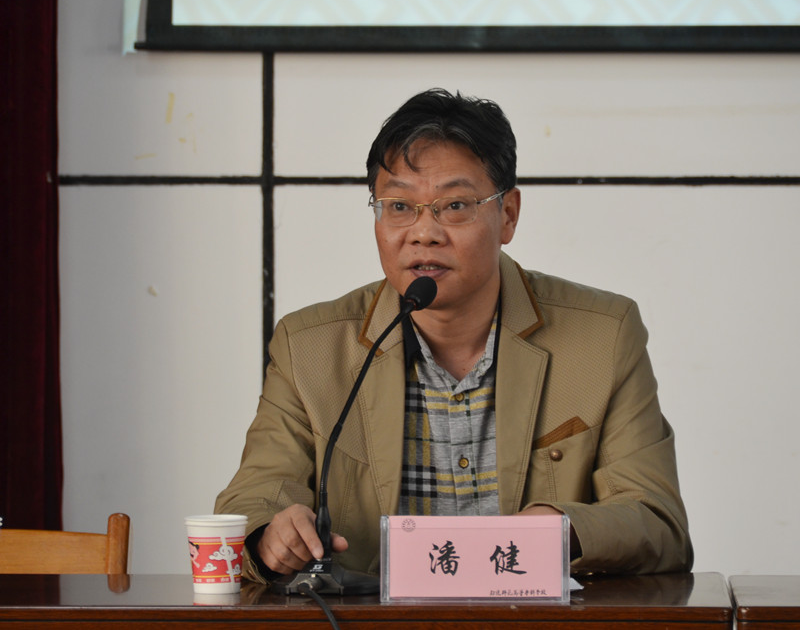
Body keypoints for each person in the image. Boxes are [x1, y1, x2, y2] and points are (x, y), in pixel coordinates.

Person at [215, 88, 693, 583]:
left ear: (508, 215)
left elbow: (658, 523)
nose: (424, 232)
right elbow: (253, 497)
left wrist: (561, 528)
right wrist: (270, 534)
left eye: (455, 205)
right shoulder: (309, 347)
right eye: (399, 206)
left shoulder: (603, 336)